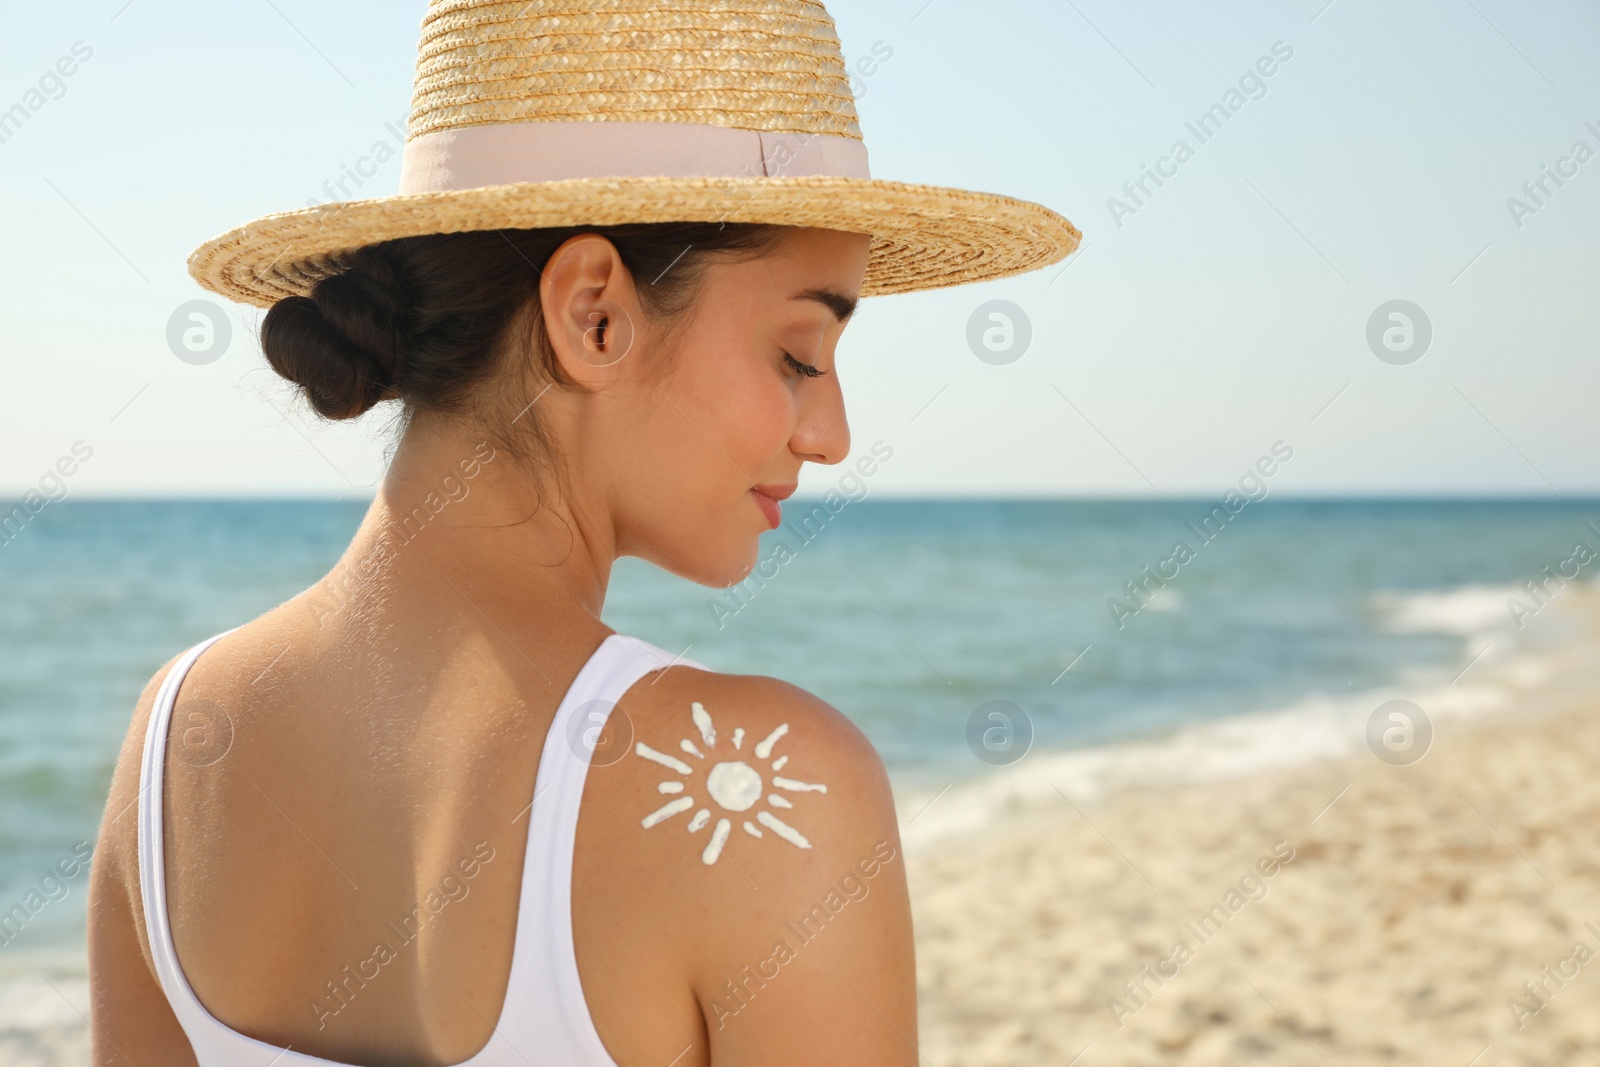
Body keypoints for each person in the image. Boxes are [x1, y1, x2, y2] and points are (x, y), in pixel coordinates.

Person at [87, 2, 1079, 1065]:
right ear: (592, 314)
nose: (833, 433)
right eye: (800, 353)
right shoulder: (766, 785)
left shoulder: (174, 743)